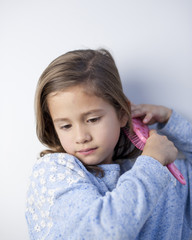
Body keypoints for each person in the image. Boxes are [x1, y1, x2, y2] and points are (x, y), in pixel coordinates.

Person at [25, 49, 192, 240]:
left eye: (93, 119)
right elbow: (102, 232)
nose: (81, 137)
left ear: (122, 114)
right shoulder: (53, 173)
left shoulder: (163, 173)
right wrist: (152, 162)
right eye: (65, 125)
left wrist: (170, 120)